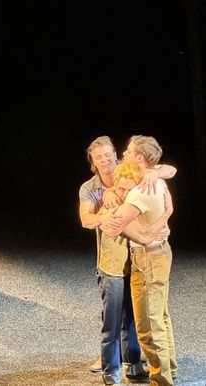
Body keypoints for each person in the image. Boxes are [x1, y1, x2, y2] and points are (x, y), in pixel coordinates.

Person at [79, 135, 176, 382]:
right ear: (92, 160)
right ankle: (112, 368)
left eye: (111, 153)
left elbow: (167, 169)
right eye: (98, 156)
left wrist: (160, 217)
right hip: (115, 263)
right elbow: (87, 219)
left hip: (141, 259)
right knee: (118, 319)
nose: (107, 158)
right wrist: (107, 210)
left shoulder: (138, 180)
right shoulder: (94, 187)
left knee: (142, 323)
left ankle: (145, 369)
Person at [97, 161, 174, 386]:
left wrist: (165, 216)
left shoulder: (135, 199)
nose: (123, 193)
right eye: (119, 188)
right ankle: (167, 373)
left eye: (127, 189)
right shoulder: (119, 206)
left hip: (148, 259)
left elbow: (147, 237)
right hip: (142, 258)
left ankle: (162, 379)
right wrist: (167, 213)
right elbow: (145, 235)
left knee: (151, 325)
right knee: (156, 320)